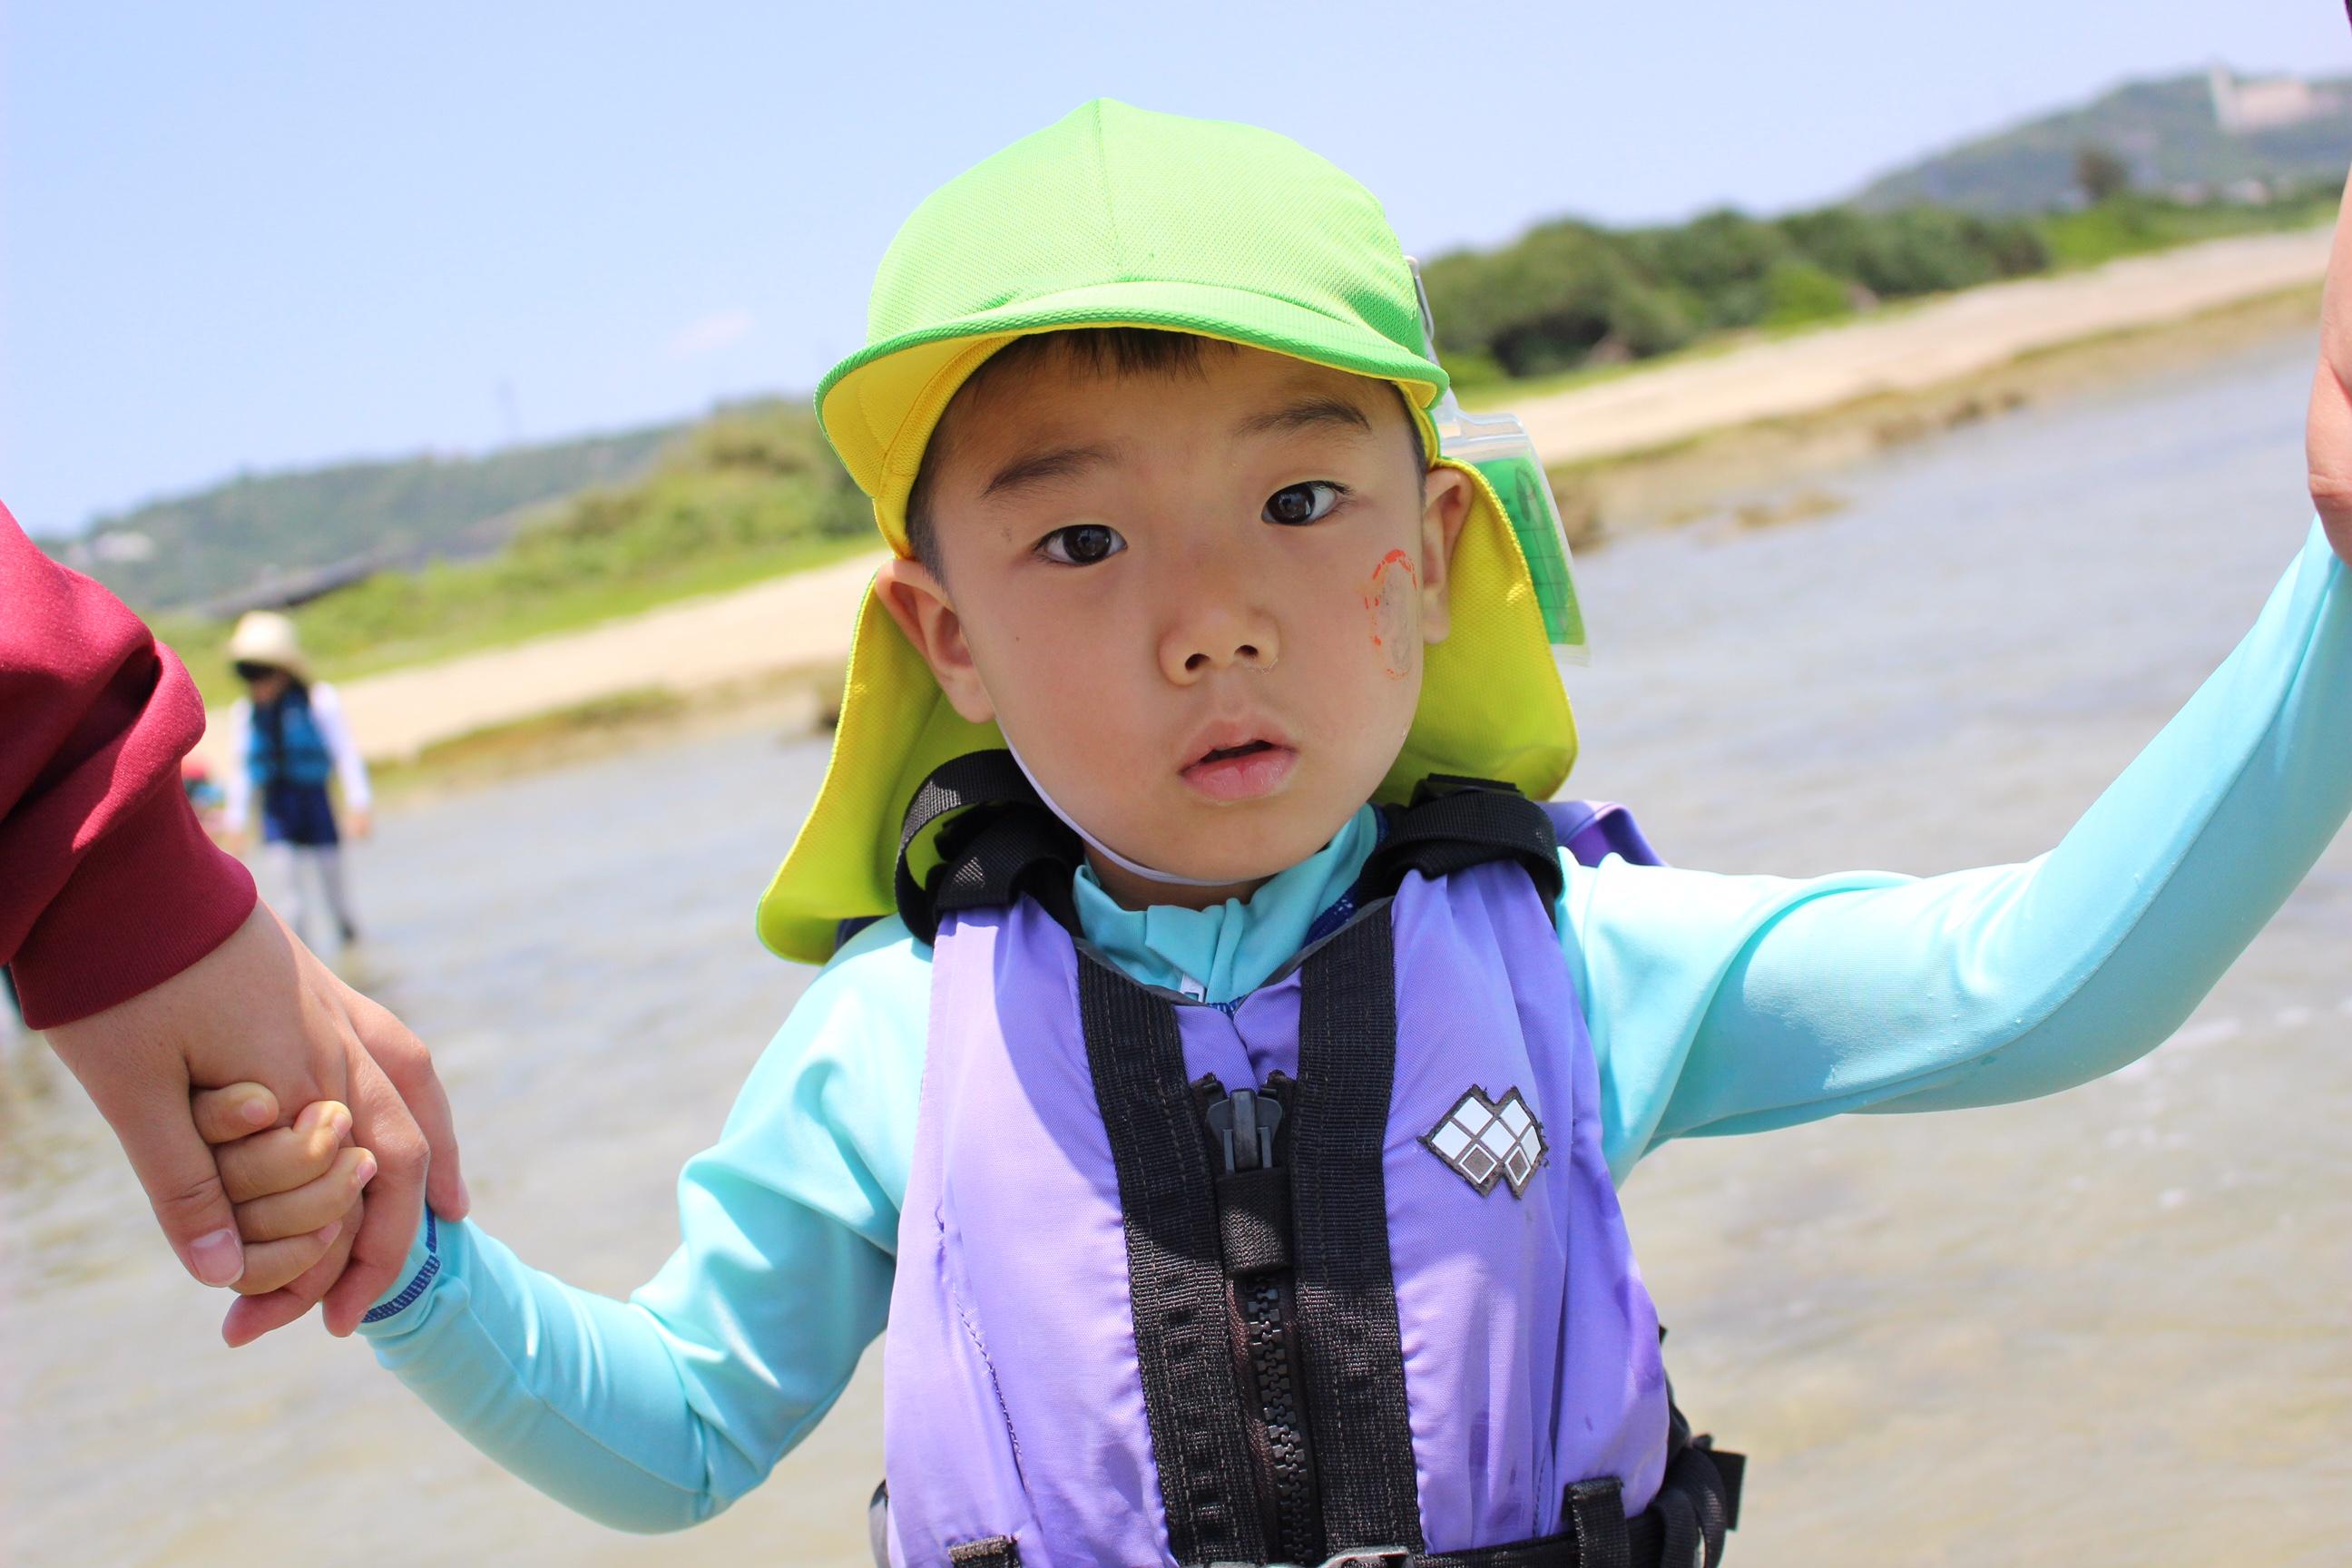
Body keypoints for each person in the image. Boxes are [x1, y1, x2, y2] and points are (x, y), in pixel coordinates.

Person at [207, 102, 2352, 1567]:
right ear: (943, 637)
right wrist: (418, 1273)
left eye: (1301, 498)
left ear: (1433, 555)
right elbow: (675, 1430)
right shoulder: (893, 1046)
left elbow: (2048, 977)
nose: (1207, 610)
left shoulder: (1576, 957)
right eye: (1077, 533)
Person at [0, 500, 466, 1334]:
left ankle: (344, 942)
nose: (255, 687)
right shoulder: (254, 720)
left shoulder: (316, 708)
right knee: (301, 897)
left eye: (261, 674)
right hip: (223, 856)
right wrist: (136, 892)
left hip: (287, 833)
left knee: (331, 899)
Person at [220, 610, 372, 949]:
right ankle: (307, 976)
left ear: (284, 672)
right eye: (249, 674)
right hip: (277, 810)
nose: (257, 683)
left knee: (338, 900)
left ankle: (355, 962)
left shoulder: (320, 701)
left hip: (315, 804)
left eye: (263, 673)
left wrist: (359, 803)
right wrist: (236, 821)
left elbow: (345, 753)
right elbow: (241, 769)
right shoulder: (245, 715)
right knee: (291, 903)